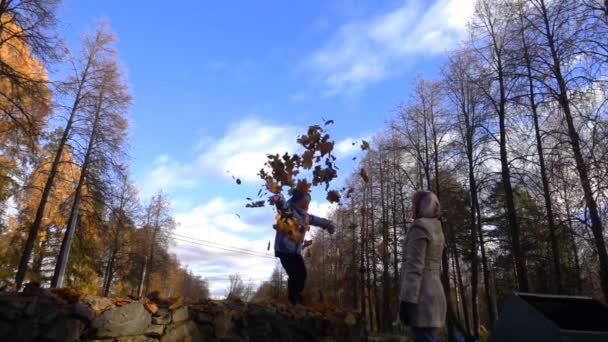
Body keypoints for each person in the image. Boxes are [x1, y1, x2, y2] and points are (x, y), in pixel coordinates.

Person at [270, 189, 335, 305]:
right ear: (298, 201)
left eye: (308, 202)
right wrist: (278, 198)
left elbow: (317, 220)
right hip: (285, 249)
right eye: (305, 202)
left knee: (299, 274)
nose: (307, 205)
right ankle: (294, 299)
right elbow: (282, 205)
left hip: (295, 252)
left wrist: (328, 224)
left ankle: (294, 298)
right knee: (297, 273)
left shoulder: (306, 217)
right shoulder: (289, 210)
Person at [398, 191, 446, 342]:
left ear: (421, 206)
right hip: (435, 293)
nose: (411, 208)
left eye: (414, 204)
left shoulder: (419, 227)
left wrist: (406, 301)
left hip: (421, 297)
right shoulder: (437, 228)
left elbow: (415, 267)